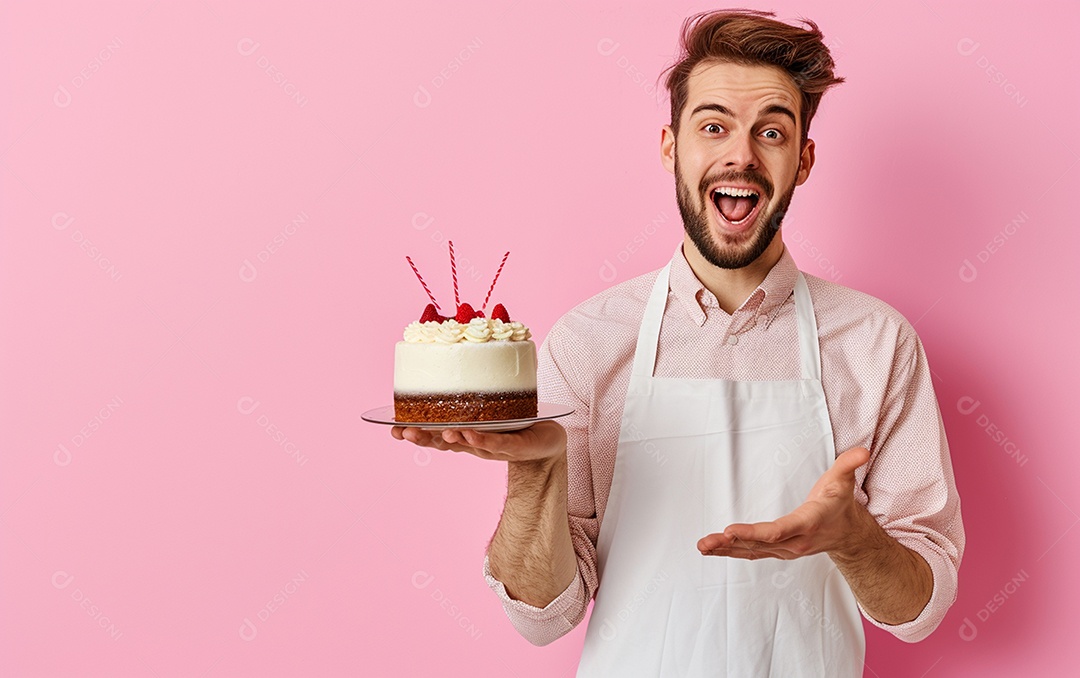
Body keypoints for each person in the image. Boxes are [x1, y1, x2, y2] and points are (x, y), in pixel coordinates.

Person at [392, 9, 964, 677]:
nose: (741, 156)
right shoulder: (589, 341)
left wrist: (853, 537)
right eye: (714, 126)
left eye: (771, 132)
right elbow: (543, 616)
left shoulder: (877, 343)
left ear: (802, 159)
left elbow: (918, 610)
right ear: (671, 148)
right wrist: (536, 469)